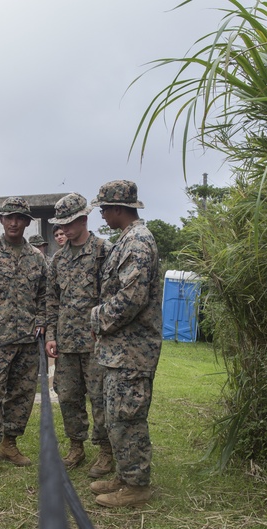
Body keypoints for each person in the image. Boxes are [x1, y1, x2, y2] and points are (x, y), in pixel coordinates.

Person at [88, 180, 162, 508]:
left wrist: (97, 317)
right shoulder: (126, 240)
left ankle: (137, 486)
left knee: (128, 415)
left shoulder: (138, 242)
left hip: (133, 351)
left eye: (104, 208)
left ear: (119, 208)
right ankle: (124, 475)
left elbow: (132, 297)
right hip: (120, 349)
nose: (102, 214)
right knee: (116, 413)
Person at [0, 196, 47, 478]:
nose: (14, 222)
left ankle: (9, 444)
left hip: (28, 339)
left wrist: (40, 323)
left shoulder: (36, 259)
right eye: (8, 217)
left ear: (27, 222)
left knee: (22, 394)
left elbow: (44, 296)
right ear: (1, 220)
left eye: (19, 217)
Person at [44, 193, 112, 474]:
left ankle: (106, 451)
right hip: (67, 343)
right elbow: (51, 299)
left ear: (84, 219)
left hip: (97, 343)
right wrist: (51, 334)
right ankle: (76, 446)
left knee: (100, 397)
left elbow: (113, 297)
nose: (65, 229)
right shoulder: (59, 259)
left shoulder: (103, 251)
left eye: (70, 222)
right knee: (69, 397)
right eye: (61, 224)